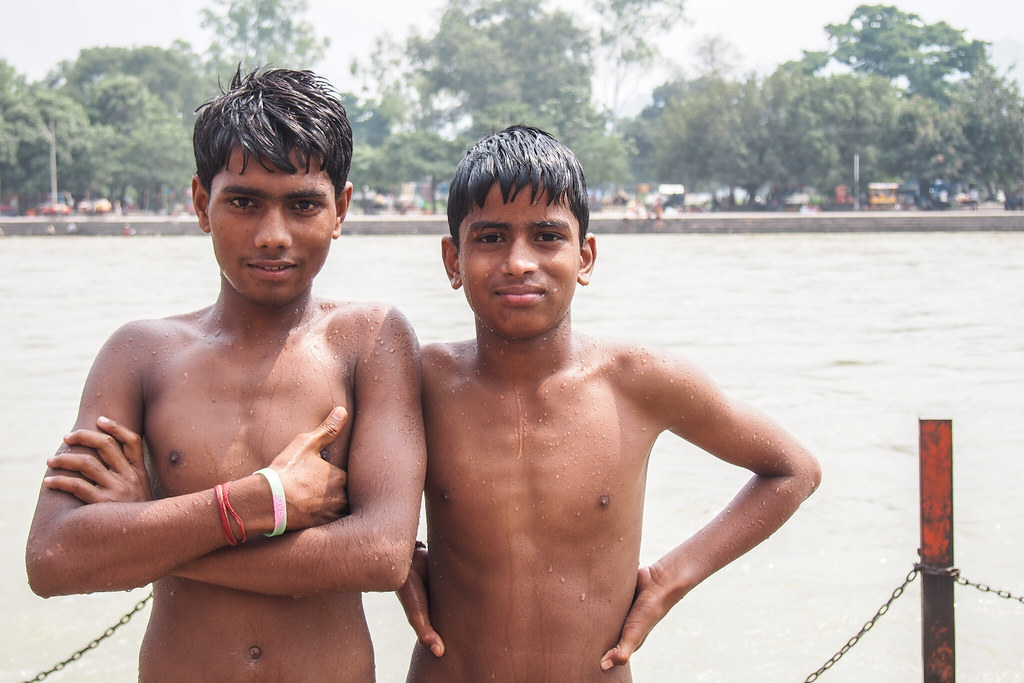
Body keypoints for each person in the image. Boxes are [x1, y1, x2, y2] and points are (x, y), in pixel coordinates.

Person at [26, 67, 426, 682]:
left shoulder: (369, 340)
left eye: (302, 204)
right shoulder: (141, 354)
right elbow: (53, 559)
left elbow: (380, 555)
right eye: (243, 202)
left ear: (340, 209)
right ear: (200, 204)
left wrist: (151, 530)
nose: (273, 235)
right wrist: (258, 499)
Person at [398, 125, 822, 681]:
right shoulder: (417, 380)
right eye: (491, 238)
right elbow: (326, 472)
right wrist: (394, 554)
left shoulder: (638, 381)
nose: (520, 262)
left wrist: (672, 578)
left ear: (586, 256)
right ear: (453, 260)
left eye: (547, 237)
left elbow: (793, 470)